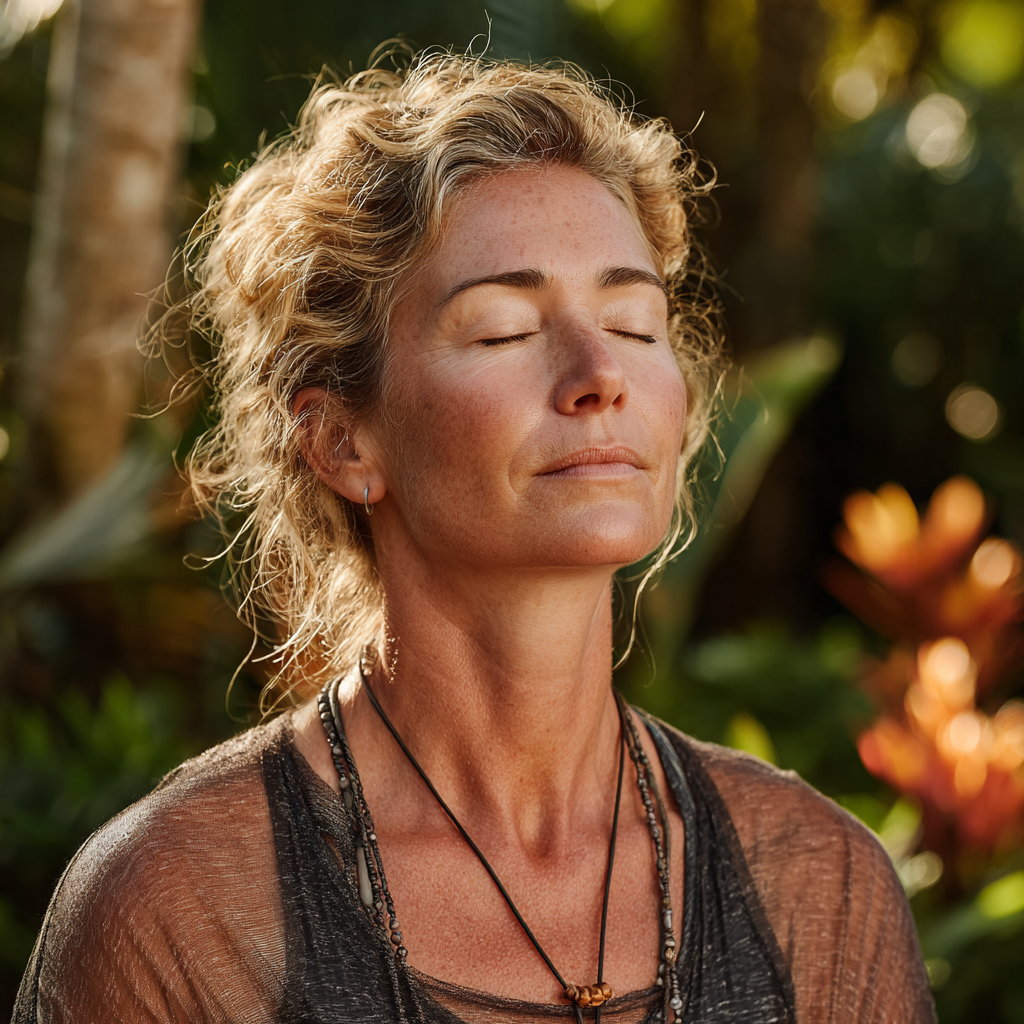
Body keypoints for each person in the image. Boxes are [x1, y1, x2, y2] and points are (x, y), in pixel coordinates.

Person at [13, 54, 935, 1024]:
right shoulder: (183, 918)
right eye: (502, 330)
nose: (597, 376)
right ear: (340, 440)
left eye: (632, 322)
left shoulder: (819, 893)